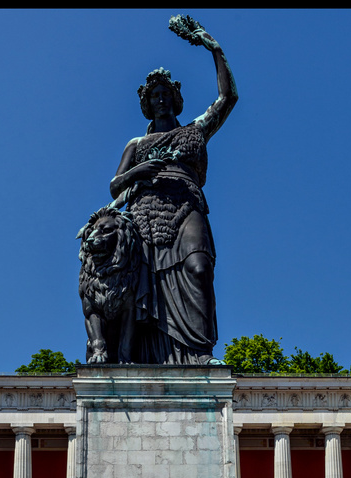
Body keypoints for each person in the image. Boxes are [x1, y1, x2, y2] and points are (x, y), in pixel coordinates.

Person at [107, 17, 237, 366]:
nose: (161, 99)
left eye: (166, 94)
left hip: (186, 204)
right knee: (144, 287)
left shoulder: (195, 130)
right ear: (147, 103)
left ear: (176, 98)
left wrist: (213, 47)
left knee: (199, 268)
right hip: (145, 213)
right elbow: (115, 185)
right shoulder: (137, 144)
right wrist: (140, 170)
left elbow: (228, 97)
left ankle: (200, 353)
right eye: (155, 96)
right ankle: (148, 356)